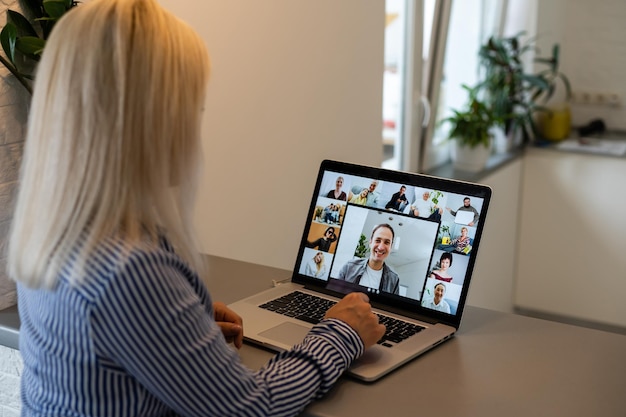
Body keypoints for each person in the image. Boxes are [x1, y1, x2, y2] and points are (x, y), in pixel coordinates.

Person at [7, 1, 386, 415]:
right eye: (192, 110)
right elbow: (252, 409)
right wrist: (341, 333)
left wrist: (186, 321)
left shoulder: (54, 226)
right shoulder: (129, 271)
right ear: (147, 122)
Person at [337, 224, 400, 295]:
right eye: (378, 240)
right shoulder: (349, 267)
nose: (381, 247)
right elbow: (334, 295)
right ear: (370, 242)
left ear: (391, 247)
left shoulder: (394, 279)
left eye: (387, 242)